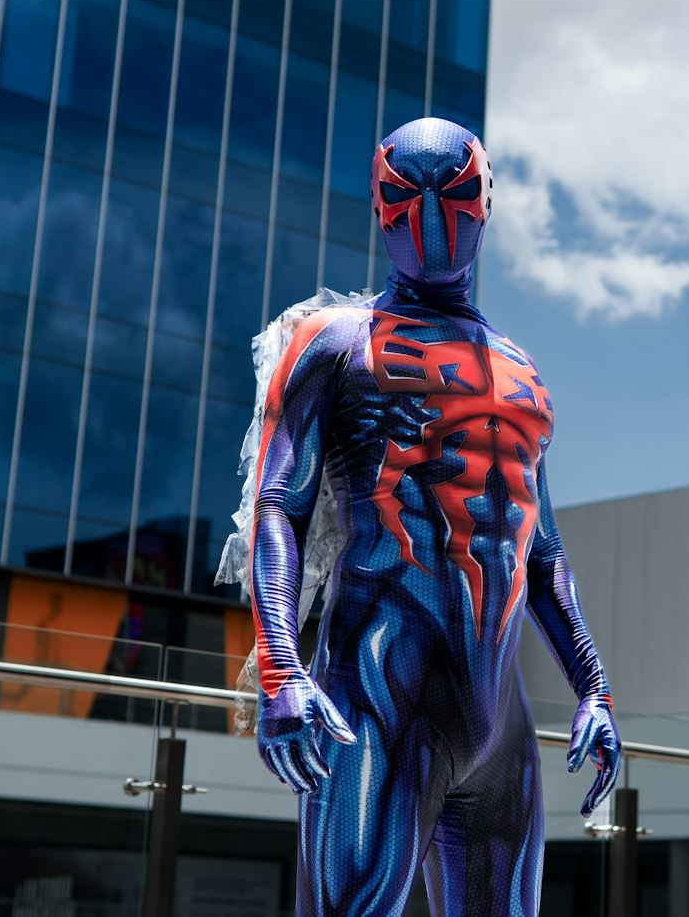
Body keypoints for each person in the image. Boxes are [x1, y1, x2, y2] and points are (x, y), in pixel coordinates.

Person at [250, 117, 620, 917]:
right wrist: (280, 669)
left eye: (449, 194)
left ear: (483, 203)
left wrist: (595, 688)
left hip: (498, 719)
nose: (429, 217)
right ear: (380, 207)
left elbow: (542, 551)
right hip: (377, 690)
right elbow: (278, 503)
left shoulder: (520, 372)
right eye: (406, 195)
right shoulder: (332, 343)